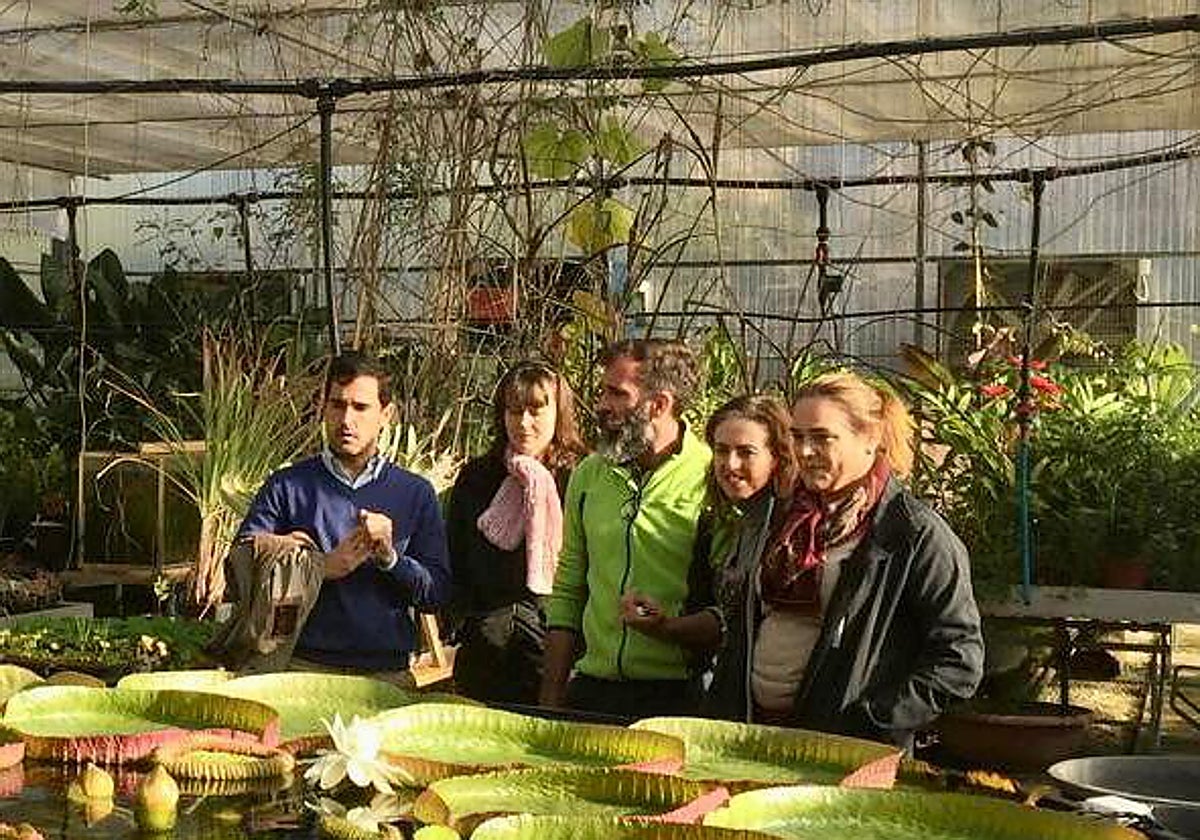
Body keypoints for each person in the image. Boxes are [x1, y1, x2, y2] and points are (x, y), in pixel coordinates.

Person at [705, 371, 984, 750]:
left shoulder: (912, 533)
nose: (804, 451)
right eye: (798, 436)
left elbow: (958, 660)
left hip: (844, 751)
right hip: (754, 737)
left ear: (869, 439)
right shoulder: (781, 518)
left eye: (822, 437)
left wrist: (870, 722)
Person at [234, 352, 451, 684]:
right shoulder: (288, 486)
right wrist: (319, 567)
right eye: (337, 405)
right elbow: (240, 568)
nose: (346, 419)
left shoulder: (415, 493)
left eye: (360, 407)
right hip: (302, 668)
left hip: (387, 675)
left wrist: (390, 559)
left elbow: (436, 594)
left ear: (386, 415)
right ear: (324, 409)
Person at [539, 338, 712, 720]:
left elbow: (728, 609)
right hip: (592, 689)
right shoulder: (590, 474)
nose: (602, 405)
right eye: (603, 391)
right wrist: (550, 699)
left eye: (617, 394)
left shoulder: (711, 478)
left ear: (660, 404)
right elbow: (569, 587)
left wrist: (668, 629)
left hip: (677, 697)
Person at [616, 394, 799, 676]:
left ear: (777, 456)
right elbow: (729, 618)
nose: (730, 464)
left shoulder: (788, 529)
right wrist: (663, 625)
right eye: (722, 451)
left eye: (746, 452)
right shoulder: (741, 520)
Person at [446, 362, 586, 704]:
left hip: (556, 647)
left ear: (559, 412)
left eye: (536, 410)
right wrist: (469, 622)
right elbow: (457, 556)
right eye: (514, 411)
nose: (524, 423)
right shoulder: (478, 476)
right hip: (485, 646)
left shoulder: (582, 476)